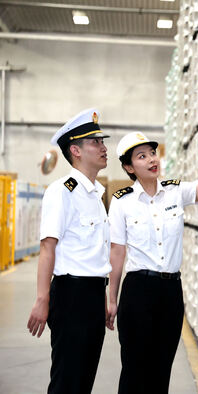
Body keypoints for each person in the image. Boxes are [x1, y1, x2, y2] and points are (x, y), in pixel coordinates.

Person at [107, 126, 198, 394]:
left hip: (171, 292)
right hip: (138, 290)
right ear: (129, 167)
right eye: (141, 157)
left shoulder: (175, 191)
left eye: (152, 153)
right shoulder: (122, 202)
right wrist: (112, 298)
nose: (152, 159)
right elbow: (117, 251)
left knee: (161, 372)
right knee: (134, 371)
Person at [27, 108, 111, 394]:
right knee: (67, 382)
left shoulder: (95, 195)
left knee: (83, 380)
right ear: (75, 150)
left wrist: (102, 297)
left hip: (91, 296)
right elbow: (47, 247)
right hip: (71, 297)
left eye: (103, 141)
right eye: (95, 142)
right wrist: (42, 299)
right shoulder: (62, 191)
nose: (103, 147)